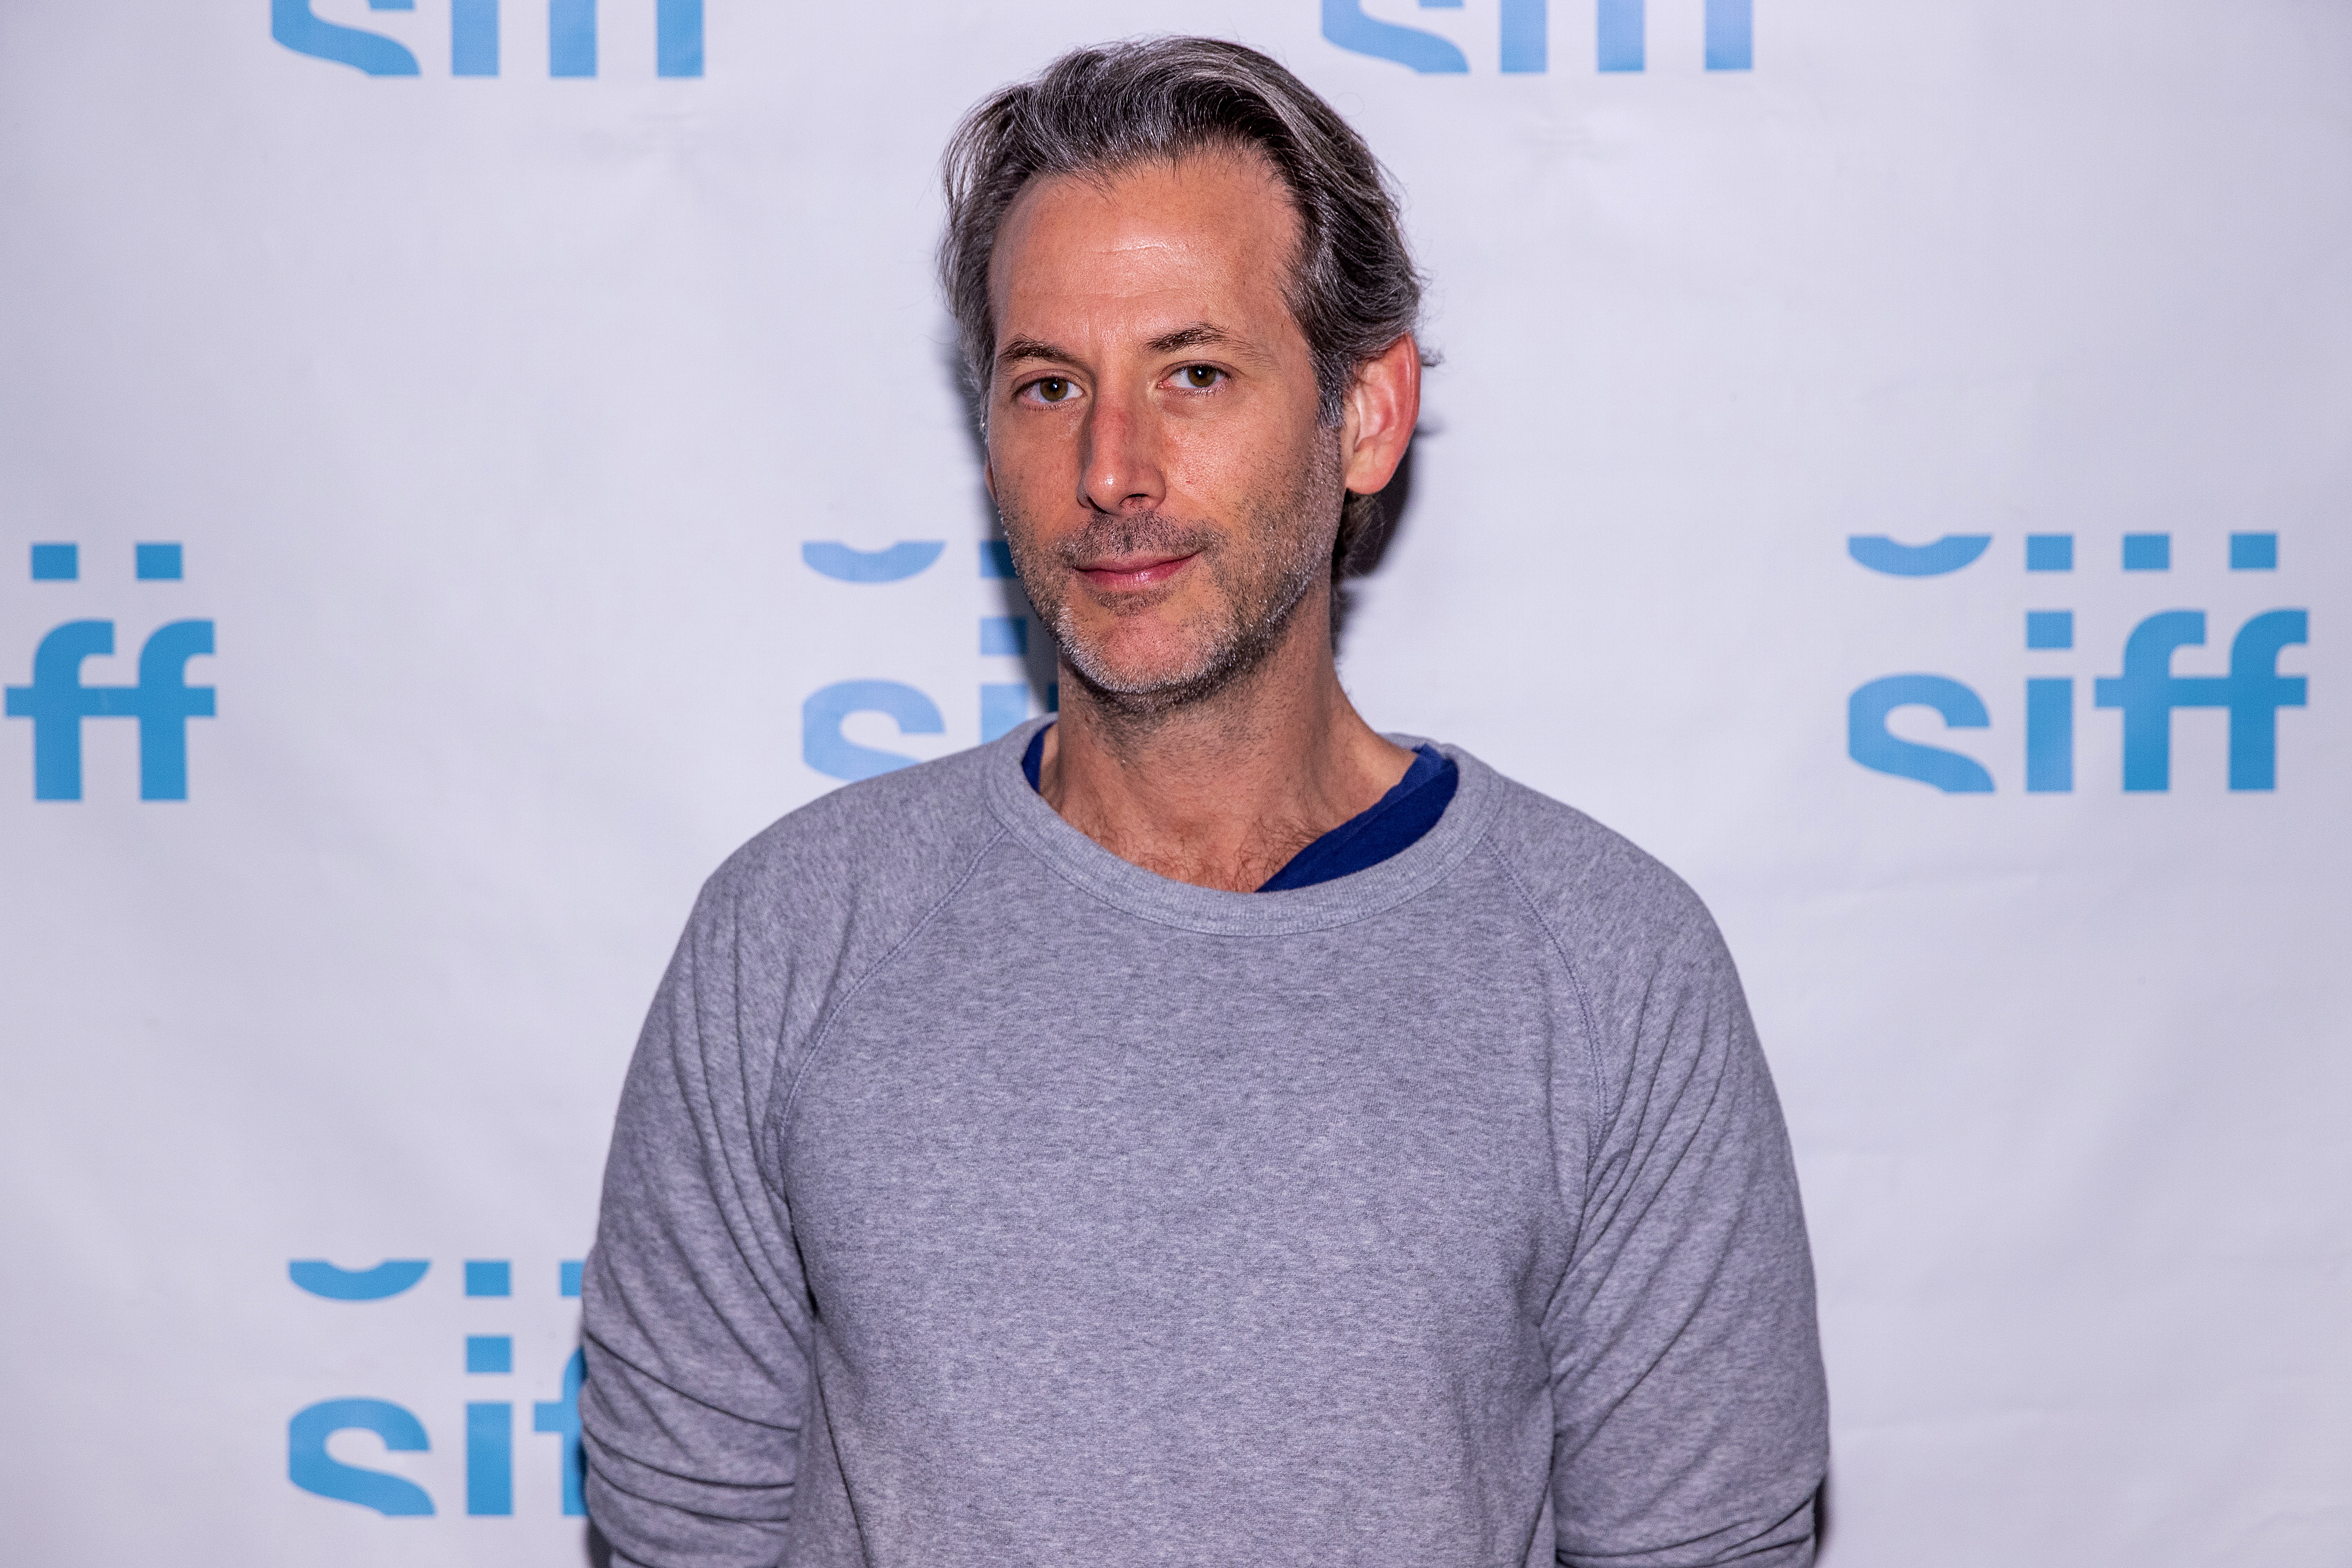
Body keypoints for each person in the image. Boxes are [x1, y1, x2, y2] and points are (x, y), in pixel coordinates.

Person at [581, 36, 1826, 1568]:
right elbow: (679, 1537)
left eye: (1193, 372)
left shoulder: (1611, 971)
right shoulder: (790, 936)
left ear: (1363, 416)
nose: (1112, 468)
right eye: (1049, 384)